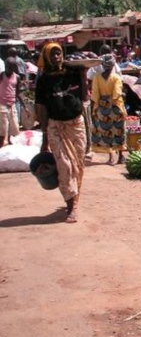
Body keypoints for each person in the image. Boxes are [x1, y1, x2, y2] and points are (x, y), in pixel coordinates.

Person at [35, 43, 87, 223]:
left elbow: (85, 97)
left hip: (76, 124)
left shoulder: (72, 72)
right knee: (64, 166)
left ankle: (74, 200)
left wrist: (83, 75)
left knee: (78, 165)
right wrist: (44, 137)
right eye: (53, 54)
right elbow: (41, 108)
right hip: (55, 126)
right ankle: (71, 206)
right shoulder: (43, 80)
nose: (57, 57)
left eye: (58, 53)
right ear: (47, 57)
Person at [91, 54, 126, 165]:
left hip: (102, 109)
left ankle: (111, 157)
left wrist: (97, 107)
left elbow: (95, 95)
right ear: (113, 65)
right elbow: (116, 94)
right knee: (119, 132)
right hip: (115, 108)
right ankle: (120, 156)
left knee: (106, 133)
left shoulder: (97, 77)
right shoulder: (116, 78)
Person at [0, 57, 21, 147]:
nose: (8, 68)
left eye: (10, 67)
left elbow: (18, 93)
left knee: (14, 125)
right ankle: (1, 144)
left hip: (12, 104)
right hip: (2, 104)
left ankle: (9, 140)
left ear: (14, 67)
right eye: (7, 66)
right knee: (3, 127)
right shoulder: (1, 75)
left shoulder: (17, 77)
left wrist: (25, 106)